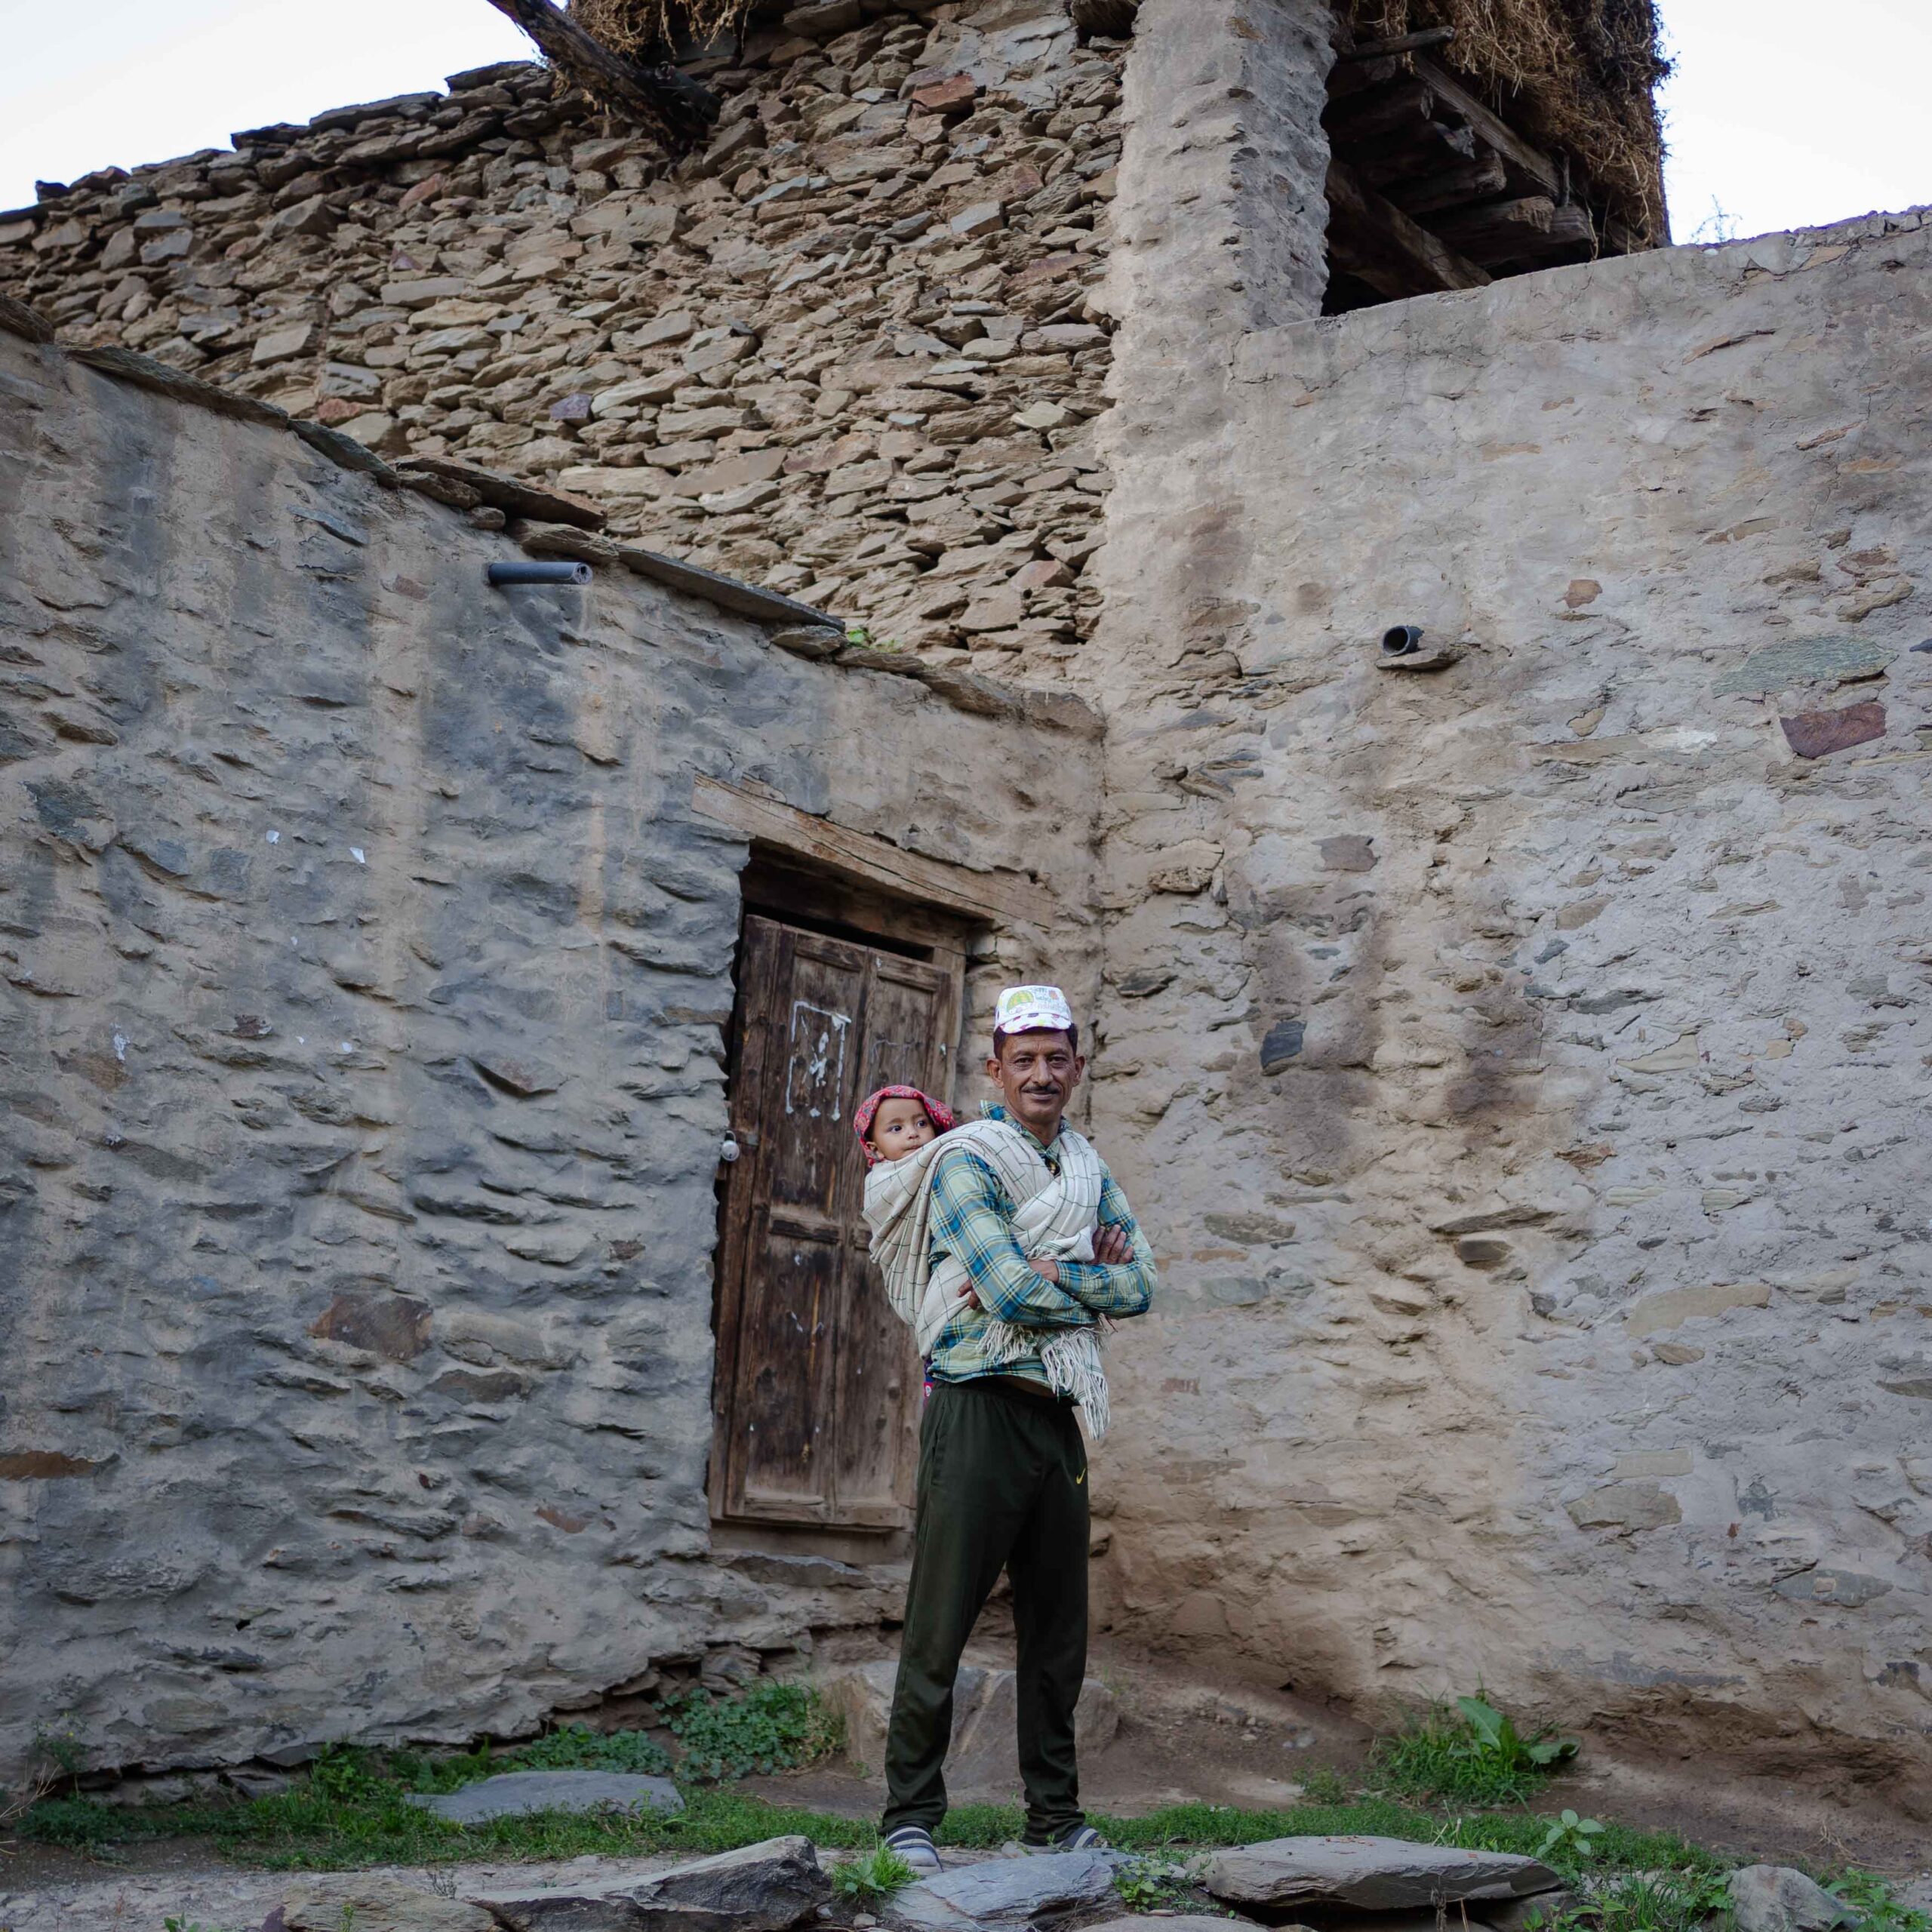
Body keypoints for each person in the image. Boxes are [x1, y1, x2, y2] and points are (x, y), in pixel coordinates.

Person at [867, 986, 1157, 1875]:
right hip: (976, 1404)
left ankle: (1054, 1819)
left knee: (1058, 1631)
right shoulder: (966, 1160)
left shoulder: (1086, 1169)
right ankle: (910, 1818)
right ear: (995, 1070)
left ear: (1076, 1067)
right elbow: (1003, 1289)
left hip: (1054, 1415)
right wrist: (1082, 1279)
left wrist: (1058, 1274)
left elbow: (1142, 1282)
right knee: (941, 1620)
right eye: (1022, 1059)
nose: (1040, 1073)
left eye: (1055, 1057)